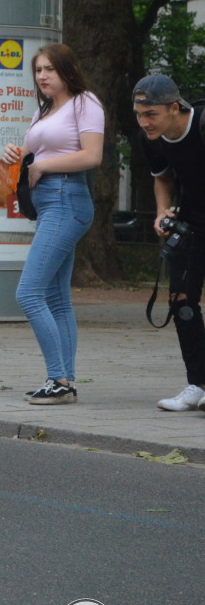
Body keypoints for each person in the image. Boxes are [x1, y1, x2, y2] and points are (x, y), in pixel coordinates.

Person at [0, 44, 104, 405]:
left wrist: (43, 166)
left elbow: (92, 155)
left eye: (50, 69)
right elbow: (37, 153)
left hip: (66, 199)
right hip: (49, 204)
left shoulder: (84, 102)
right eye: (38, 70)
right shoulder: (44, 110)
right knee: (57, 299)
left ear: (67, 70)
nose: (42, 76)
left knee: (28, 293)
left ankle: (58, 379)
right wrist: (19, 155)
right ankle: (65, 381)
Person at [132, 75, 205, 412]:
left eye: (151, 114)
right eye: (139, 114)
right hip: (192, 225)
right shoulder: (153, 139)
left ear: (175, 108)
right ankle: (197, 385)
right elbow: (162, 177)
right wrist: (162, 211)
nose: (144, 122)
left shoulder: (202, 124)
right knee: (182, 303)